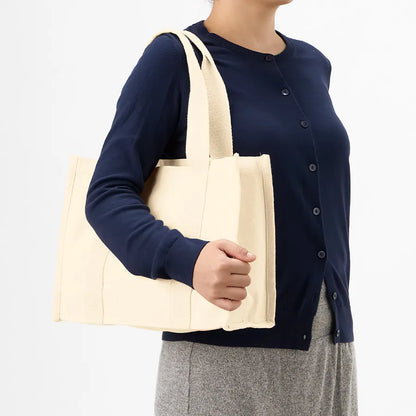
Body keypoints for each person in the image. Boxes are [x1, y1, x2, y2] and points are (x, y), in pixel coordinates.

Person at [85, 1, 358, 415]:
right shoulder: (175, 60)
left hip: (328, 355)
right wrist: (186, 259)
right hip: (221, 360)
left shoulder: (312, 65)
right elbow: (107, 194)